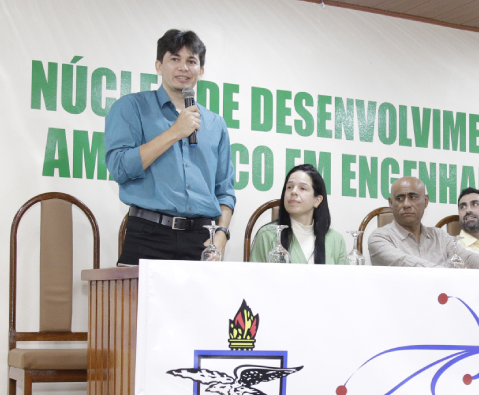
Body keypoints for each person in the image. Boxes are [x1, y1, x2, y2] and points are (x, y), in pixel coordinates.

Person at [105, 29, 235, 265]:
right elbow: (120, 168)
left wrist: (221, 237)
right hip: (148, 234)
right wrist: (176, 131)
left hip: (201, 240)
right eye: (174, 59)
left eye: (191, 61)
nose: (183, 68)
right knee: (133, 303)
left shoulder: (216, 124)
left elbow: (225, 190)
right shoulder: (131, 108)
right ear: (158, 65)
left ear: (201, 70)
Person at [369, 177, 479, 270]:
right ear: (390, 203)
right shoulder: (379, 238)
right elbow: (407, 265)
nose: (406, 204)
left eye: (413, 197)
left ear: (425, 201)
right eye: (400, 198)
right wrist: (449, 270)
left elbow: (468, 258)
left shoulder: (439, 236)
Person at [249, 164, 348, 264]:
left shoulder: (336, 240)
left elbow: (344, 279)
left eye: (303, 188)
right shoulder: (267, 234)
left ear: (317, 200)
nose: (294, 192)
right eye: (289, 187)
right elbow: (255, 278)